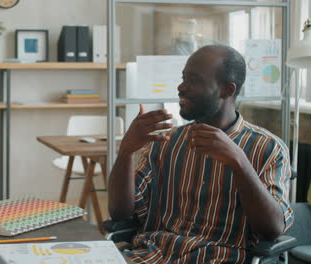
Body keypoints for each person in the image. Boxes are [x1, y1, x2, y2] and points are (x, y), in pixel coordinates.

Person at [108, 45, 293, 263]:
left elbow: (271, 230)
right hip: (151, 255)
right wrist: (126, 152)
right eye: (183, 78)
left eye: (193, 80)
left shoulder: (268, 149)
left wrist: (240, 163)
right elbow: (120, 213)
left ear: (227, 90)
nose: (181, 87)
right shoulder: (165, 143)